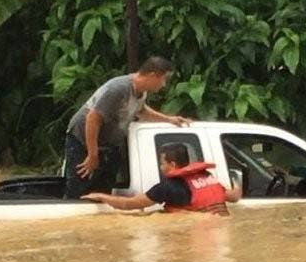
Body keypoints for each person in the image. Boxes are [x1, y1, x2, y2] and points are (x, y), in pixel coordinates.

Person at [63, 56, 192, 199]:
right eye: (163, 79)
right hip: (83, 140)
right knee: (78, 189)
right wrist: (92, 155)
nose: (164, 85)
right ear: (152, 75)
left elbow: (141, 111)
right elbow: (92, 118)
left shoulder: (141, 92)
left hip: (107, 143)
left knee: (103, 190)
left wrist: (169, 119)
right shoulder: (118, 89)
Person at [81, 143, 242, 215]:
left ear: (172, 164)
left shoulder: (168, 187)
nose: (160, 167)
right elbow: (234, 197)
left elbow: (129, 204)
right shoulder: (207, 177)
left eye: (161, 163)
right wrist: (237, 181)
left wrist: (101, 196)